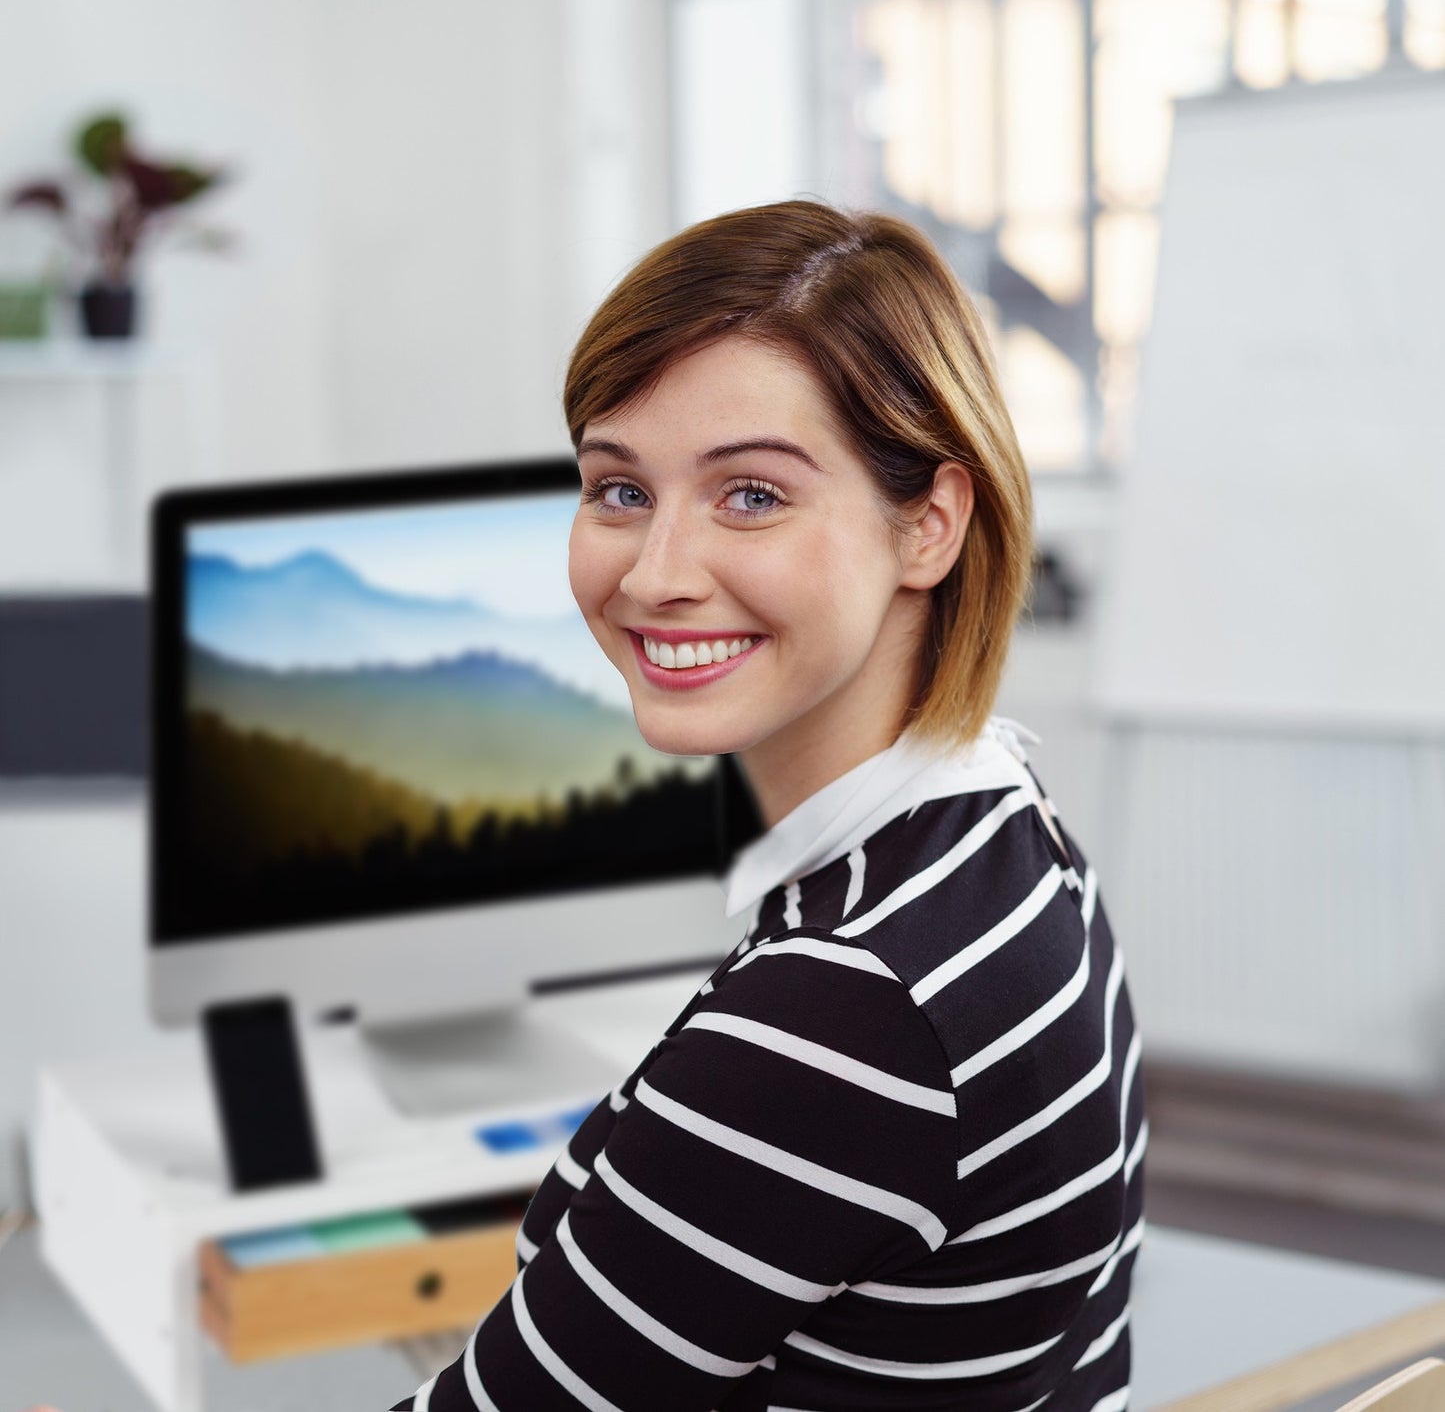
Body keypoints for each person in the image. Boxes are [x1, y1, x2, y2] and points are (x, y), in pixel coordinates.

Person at [385, 199, 1148, 1410]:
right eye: (617, 488)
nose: (654, 574)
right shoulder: (1003, 822)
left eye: (750, 495)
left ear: (928, 523)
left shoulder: (842, 1010)